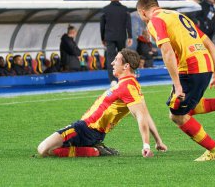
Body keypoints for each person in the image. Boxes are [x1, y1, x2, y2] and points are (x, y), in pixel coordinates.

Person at [136, 0, 215, 161]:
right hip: (205, 66)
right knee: (182, 108)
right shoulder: (178, 16)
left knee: (177, 115)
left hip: (190, 69)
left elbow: (166, 51)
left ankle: (214, 149)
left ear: (143, 12)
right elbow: (210, 44)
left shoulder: (155, 20)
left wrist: (177, 85)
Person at [37, 48, 167, 158]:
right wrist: (158, 141)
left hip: (85, 129)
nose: (112, 63)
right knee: (49, 149)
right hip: (92, 131)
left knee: (43, 149)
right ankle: (93, 147)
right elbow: (145, 114)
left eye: (116, 60)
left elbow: (141, 116)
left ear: (126, 66)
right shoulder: (131, 84)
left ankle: (93, 151)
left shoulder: (128, 86)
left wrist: (146, 145)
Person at [101, 0, 133, 86]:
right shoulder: (125, 9)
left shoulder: (105, 10)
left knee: (111, 58)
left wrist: (103, 38)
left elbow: (102, 26)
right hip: (121, 37)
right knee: (122, 58)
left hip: (109, 37)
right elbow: (128, 24)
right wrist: (130, 36)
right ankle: (122, 77)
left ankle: (112, 80)